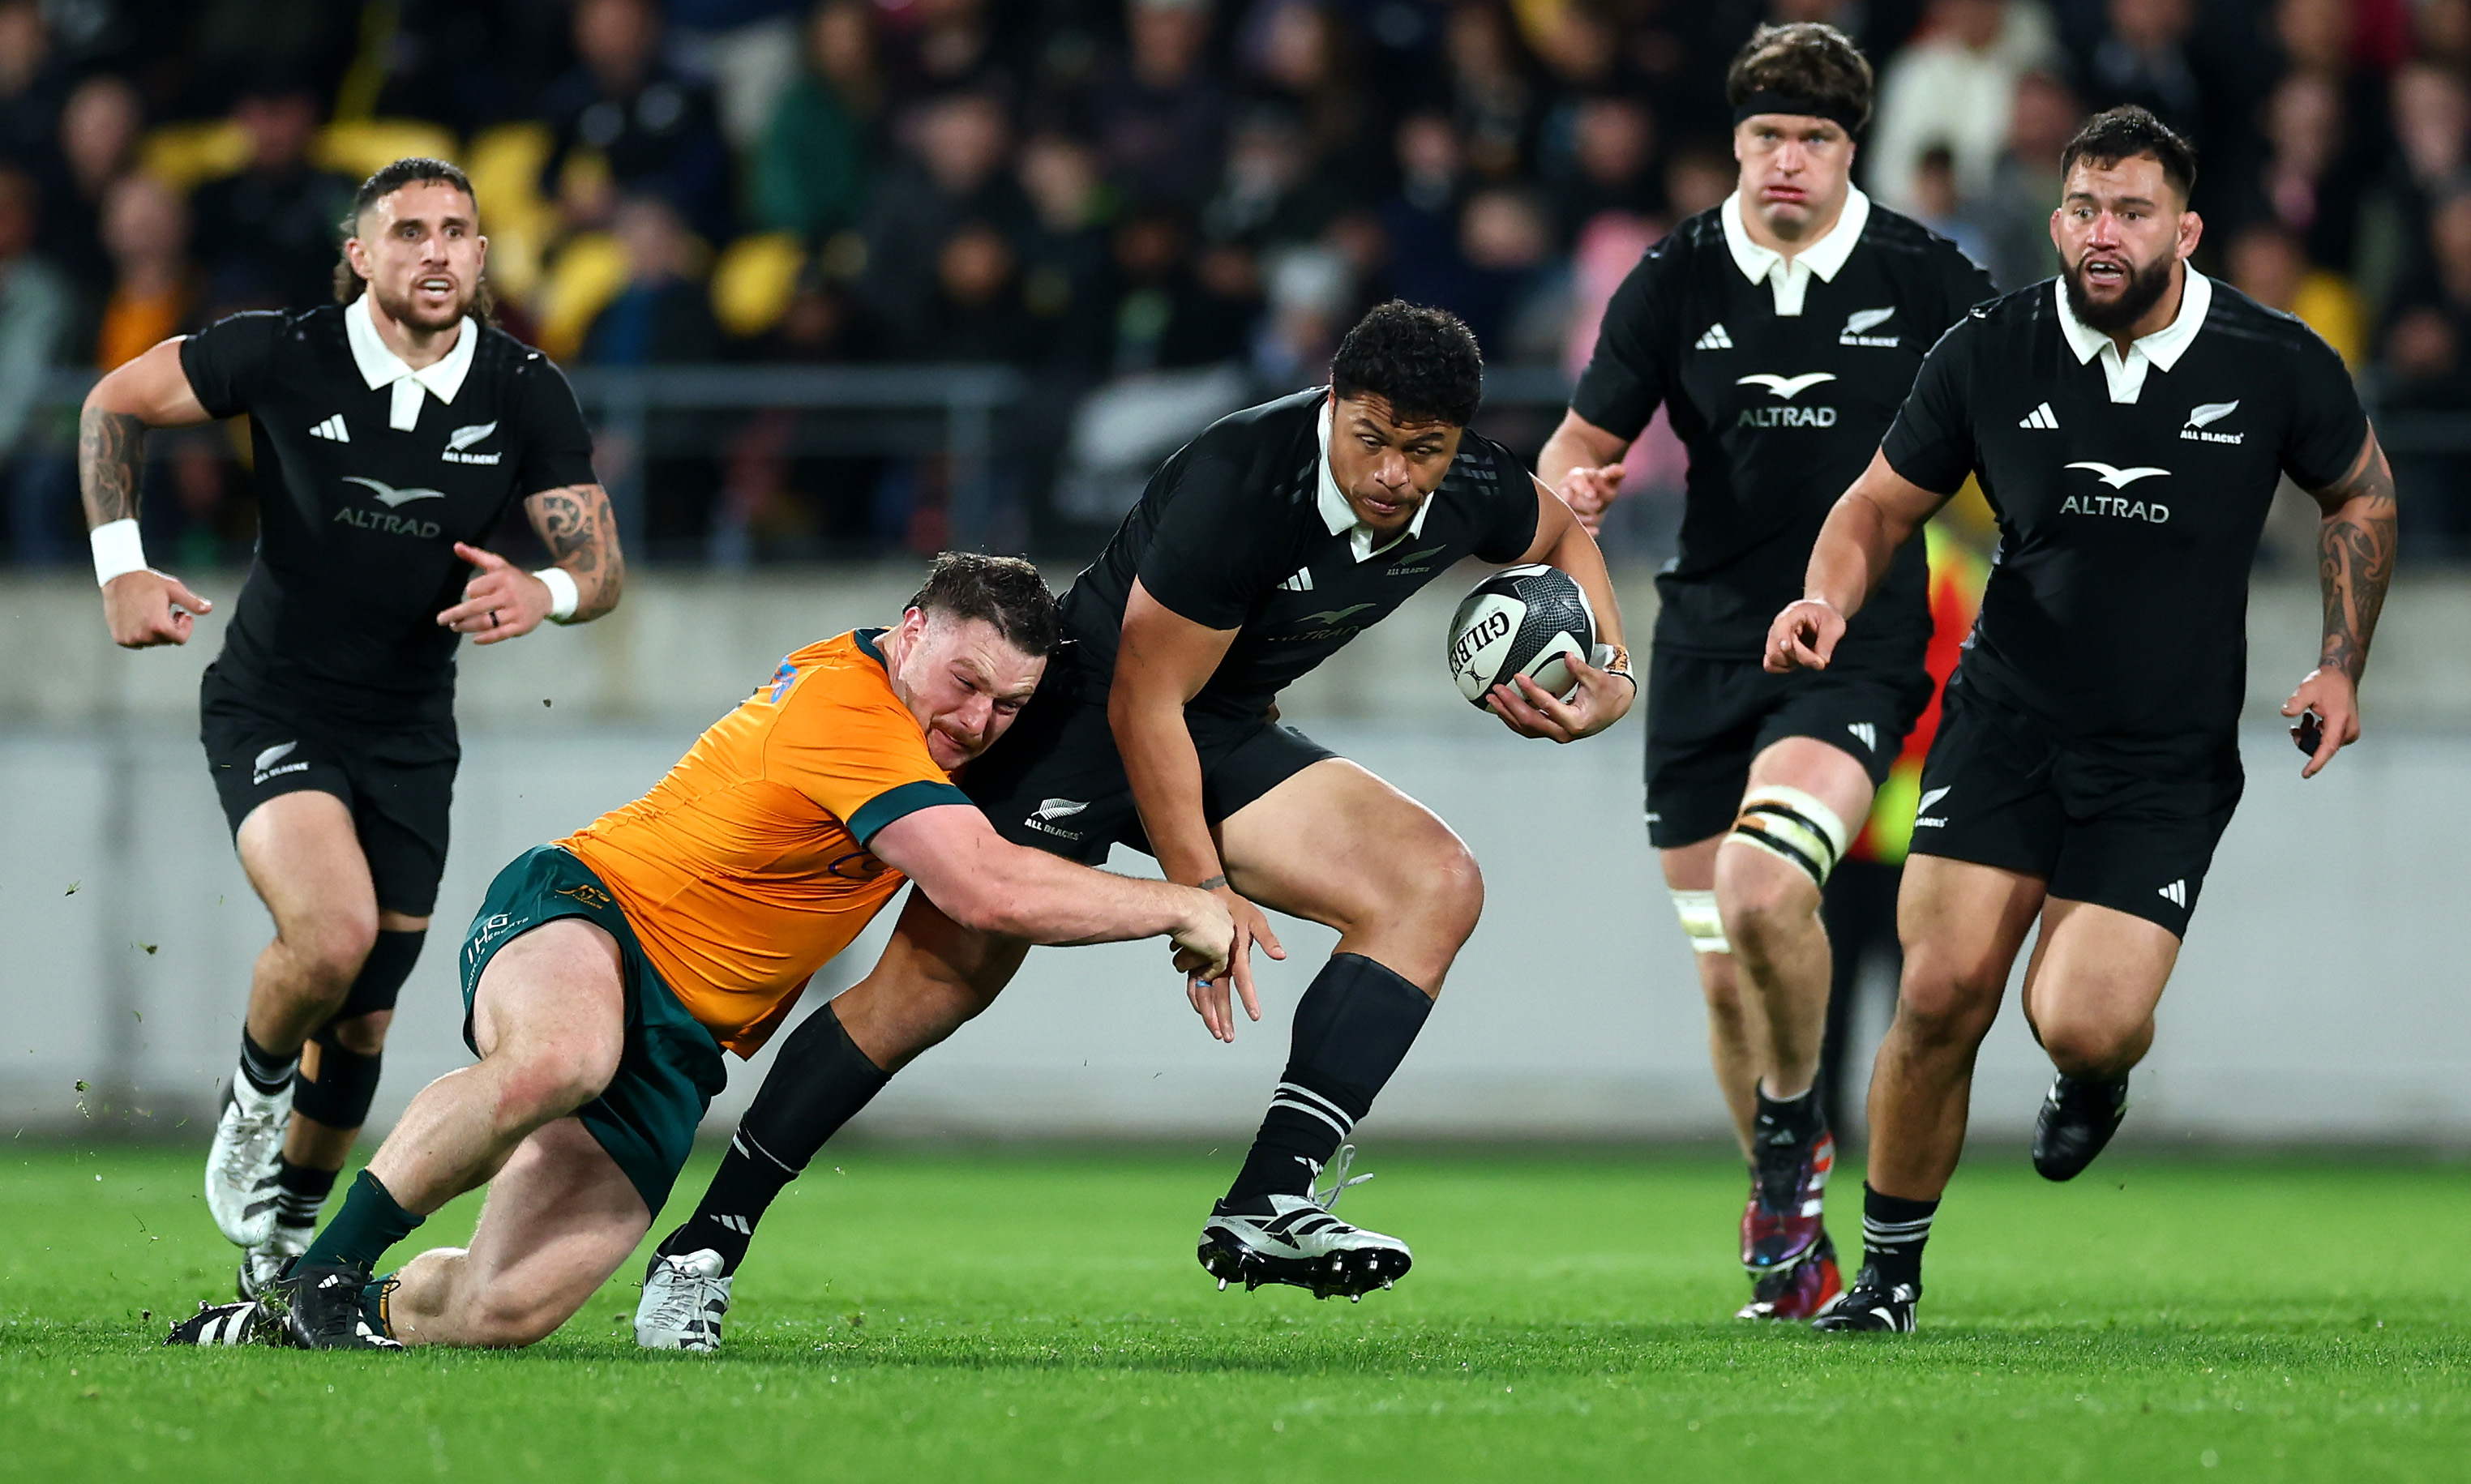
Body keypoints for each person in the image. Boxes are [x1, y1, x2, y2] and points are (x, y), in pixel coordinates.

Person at [631, 300, 1637, 1349]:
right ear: (1333, 404)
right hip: (1080, 722)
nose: (1391, 473)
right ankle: (705, 1245)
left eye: (1422, 451)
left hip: (1222, 729)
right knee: (931, 987)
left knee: (1435, 884)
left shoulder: (1469, 488)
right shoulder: (1242, 480)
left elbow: (1562, 529)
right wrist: (1200, 897)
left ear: (1459, 446)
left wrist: (1613, 676)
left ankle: (1269, 1201)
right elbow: (1142, 705)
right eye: (1370, 438)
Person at [165, 555, 1238, 1350]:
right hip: (592, 913)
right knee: (561, 1057)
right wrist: (1181, 905)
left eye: (1010, 704)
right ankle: (325, 1276)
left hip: (686, 1044)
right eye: (966, 682)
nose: (980, 721)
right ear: (910, 630)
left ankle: (284, 1325)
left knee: (506, 1310)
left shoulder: (925, 717)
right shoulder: (850, 708)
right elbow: (981, 885)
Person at [1768, 106, 2395, 1332]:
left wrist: (2339, 664)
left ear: (2187, 228)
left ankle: (2092, 1075)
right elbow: (1874, 507)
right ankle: (1889, 1279)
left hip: (2163, 755)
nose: (2103, 234)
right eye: (2085, 209)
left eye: (2133, 212)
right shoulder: (1988, 351)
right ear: (2058, 219)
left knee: (2084, 1016)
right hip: (2005, 722)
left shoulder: (2274, 359)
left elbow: (2359, 493)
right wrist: (1821, 596)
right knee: (1942, 990)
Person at [76, 158, 625, 1300]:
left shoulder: (526, 389)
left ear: (483, 256)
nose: (437, 250)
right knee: (329, 938)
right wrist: (121, 572)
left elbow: (599, 566)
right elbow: (113, 402)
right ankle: (253, 1093)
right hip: (274, 699)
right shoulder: (284, 351)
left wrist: (550, 594)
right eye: (410, 230)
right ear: (361, 256)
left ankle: (285, 1236)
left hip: (411, 729)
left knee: (367, 1017)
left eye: (459, 232)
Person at [1536, 22, 1994, 1322]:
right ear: (1734, 144)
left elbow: (2023, 424)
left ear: (1852, 149)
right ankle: (1790, 1242)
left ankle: (1793, 1142)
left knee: (1761, 885)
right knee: (1725, 964)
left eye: (1814, 139)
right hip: (1696, 651)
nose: (1787, 160)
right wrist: (1568, 494)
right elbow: (1572, 455)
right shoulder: (1673, 276)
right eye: (1766, 137)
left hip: (1855, 646)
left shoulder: (1924, 275)